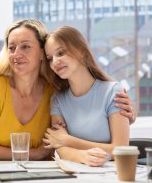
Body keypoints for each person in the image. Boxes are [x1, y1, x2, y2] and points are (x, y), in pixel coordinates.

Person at [0, 19, 135, 161]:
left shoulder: (53, 92)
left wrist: (126, 117)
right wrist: (37, 154)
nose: (16, 54)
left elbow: (66, 137)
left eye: (25, 46)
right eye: (11, 48)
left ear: (40, 54)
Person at [43, 26, 130, 167]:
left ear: (82, 52)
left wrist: (68, 140)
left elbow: (121, 149)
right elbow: (60, 147)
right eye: (50, 58)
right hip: (77, 174)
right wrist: (82, 156)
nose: (54, 62)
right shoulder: (57, 100)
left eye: (60, 53)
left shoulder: (113, 91)